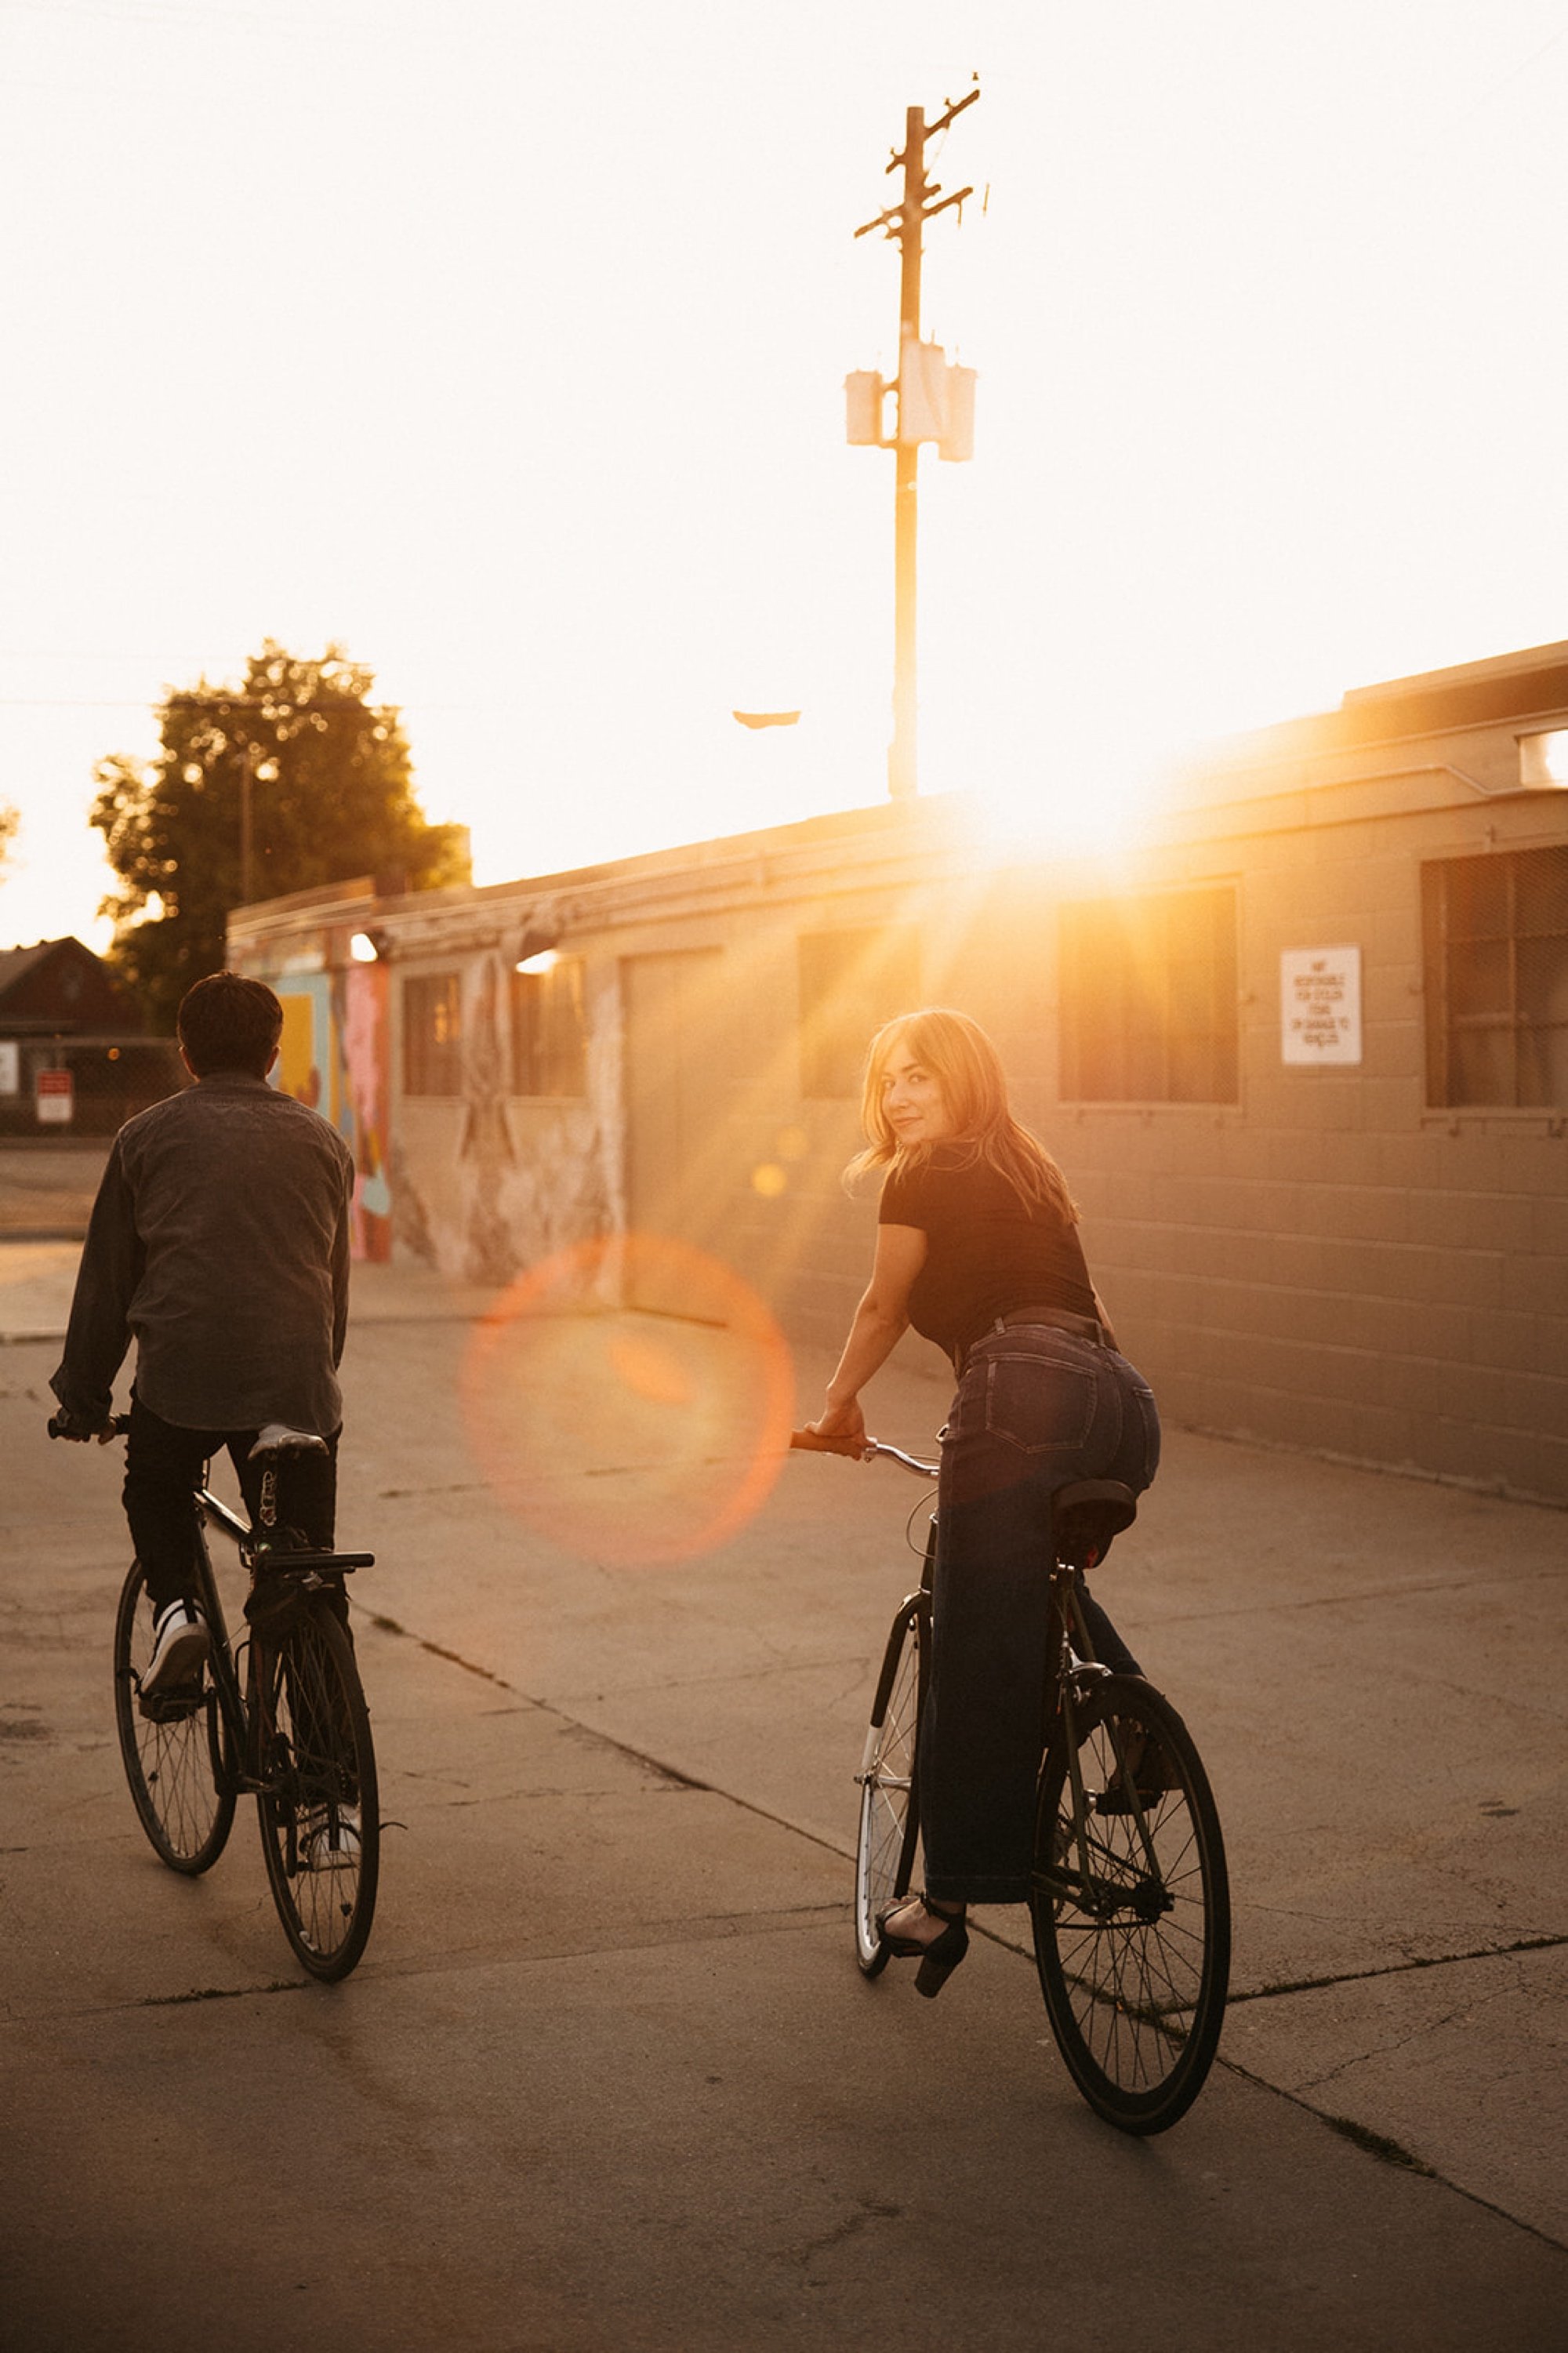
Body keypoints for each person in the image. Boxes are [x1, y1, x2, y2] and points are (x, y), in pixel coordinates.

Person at [806, 1006, 1160, 1995]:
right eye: (887, 1080)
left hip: (1015, 1389)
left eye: (920, 1075)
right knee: (1011, 1586)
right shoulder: (1030, 1171)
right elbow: (1083, 1315)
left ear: (965, 1081)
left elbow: (881, 1304)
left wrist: (838, 1407)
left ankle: (948, 1895)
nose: (899, 1096)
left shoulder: (924, 1171)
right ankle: (1127, 1710)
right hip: (1119, 1400)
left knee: (970, 1643)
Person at [49, 971, 354, 1694]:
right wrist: (313, 1377)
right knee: (309, 1565)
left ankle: (179, 1611)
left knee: (155, 1487)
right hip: (296, 1386)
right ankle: (336, 1794)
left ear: (185, 1053)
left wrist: (85, 1397)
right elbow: (331, 1290)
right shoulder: (325, 1142)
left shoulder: (143, 1138)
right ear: (273, 1053)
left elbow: (108, 1287)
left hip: (183, 1379)